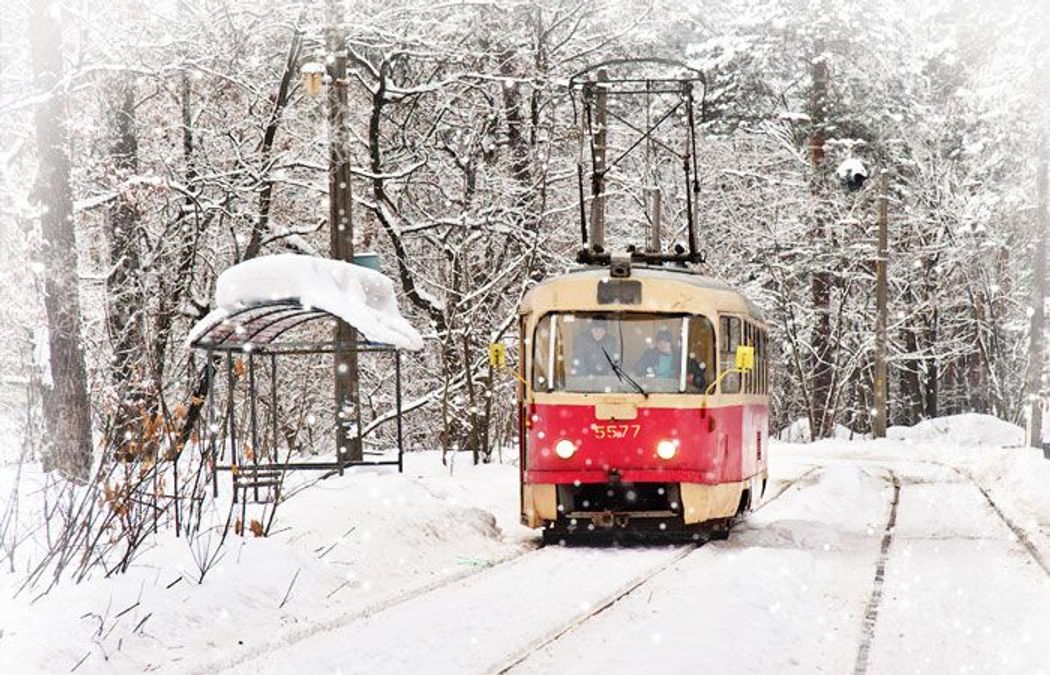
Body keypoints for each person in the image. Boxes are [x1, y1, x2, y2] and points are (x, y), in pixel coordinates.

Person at [634, 327, 708, 391]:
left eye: (666, 342)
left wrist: (690, 377)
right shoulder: (649, 354)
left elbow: (699, 373)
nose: (662, 345)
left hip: (674, 391)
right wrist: (648, 375)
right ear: (656, 343)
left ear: (670, 342)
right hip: (652, 390)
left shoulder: (680, 356)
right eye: (660, 342)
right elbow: (637, 369)